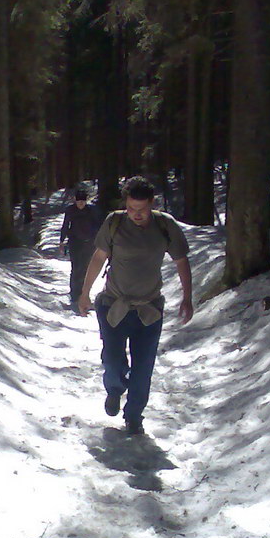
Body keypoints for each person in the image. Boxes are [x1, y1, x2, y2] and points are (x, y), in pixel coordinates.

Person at [77, 176, 193, 436]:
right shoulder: (114, 222)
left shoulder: (165, 226)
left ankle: (134, 417)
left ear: (152, 204)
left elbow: (181, 260)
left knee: (143, 369)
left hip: (149, 310)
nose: (136, 215)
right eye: (131, 209)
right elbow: (98, 257)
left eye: (141, 210)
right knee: (112, 360)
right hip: (113, 305)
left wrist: (187, 297)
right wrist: (85, 292)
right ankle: (115, 389)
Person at [59, 188, 104, 305]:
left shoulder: (91, 211)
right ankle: (74, 293)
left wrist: (97, 239)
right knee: (76, 268)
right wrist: (62, 241)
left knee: (85, 268)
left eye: (83, 202)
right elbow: (65, 225)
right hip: (74, 242)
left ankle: (84, 293)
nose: (81, 204)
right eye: (79, 202)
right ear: (75, 201)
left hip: (89, 242)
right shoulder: (70, 210)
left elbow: (98, 225)